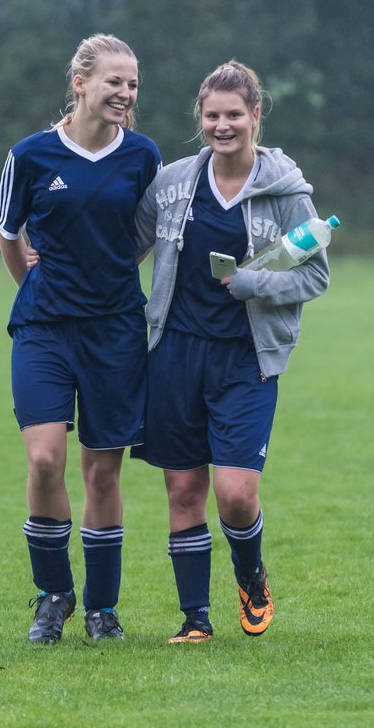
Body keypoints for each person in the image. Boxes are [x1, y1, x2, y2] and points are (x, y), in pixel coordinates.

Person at [133, 60, 330, 643]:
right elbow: (125, 248)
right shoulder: (172, 184)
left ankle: (251, 574)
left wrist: (256, 283)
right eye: (213, 116)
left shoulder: (287, 193)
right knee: (184, 489)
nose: (224, 126)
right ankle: (195, 620)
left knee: (236, 492)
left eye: (234, 115)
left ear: (255, 117)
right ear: (200, 119)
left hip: (246, 360)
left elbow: (316, 277)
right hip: (174, 354)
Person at [0, 34, 161, 643]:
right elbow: (8, 231)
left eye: (133, 84)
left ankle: (102, 608)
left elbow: (145, 234)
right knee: (44, 461)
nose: (124, 93)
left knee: (101, 473)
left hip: (116, 329)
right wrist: (33, 284)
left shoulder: (143, 156)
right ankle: (53, 595)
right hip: (43, 328)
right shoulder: (31, 156)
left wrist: (111, 271)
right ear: (81, 82)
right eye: (114, 81)